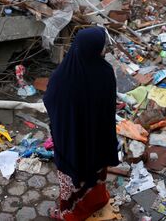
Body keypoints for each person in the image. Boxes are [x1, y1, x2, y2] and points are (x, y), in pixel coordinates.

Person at [43, 27, 119, 220]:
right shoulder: (106, 71)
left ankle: (70, 214)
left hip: (72, 141)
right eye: (102, 47)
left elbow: (49, 102)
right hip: (98, 138)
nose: (104, 50)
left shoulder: (62, 77)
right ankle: (97, 201)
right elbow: (109, 107)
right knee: (96, 172)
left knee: (74, 176)